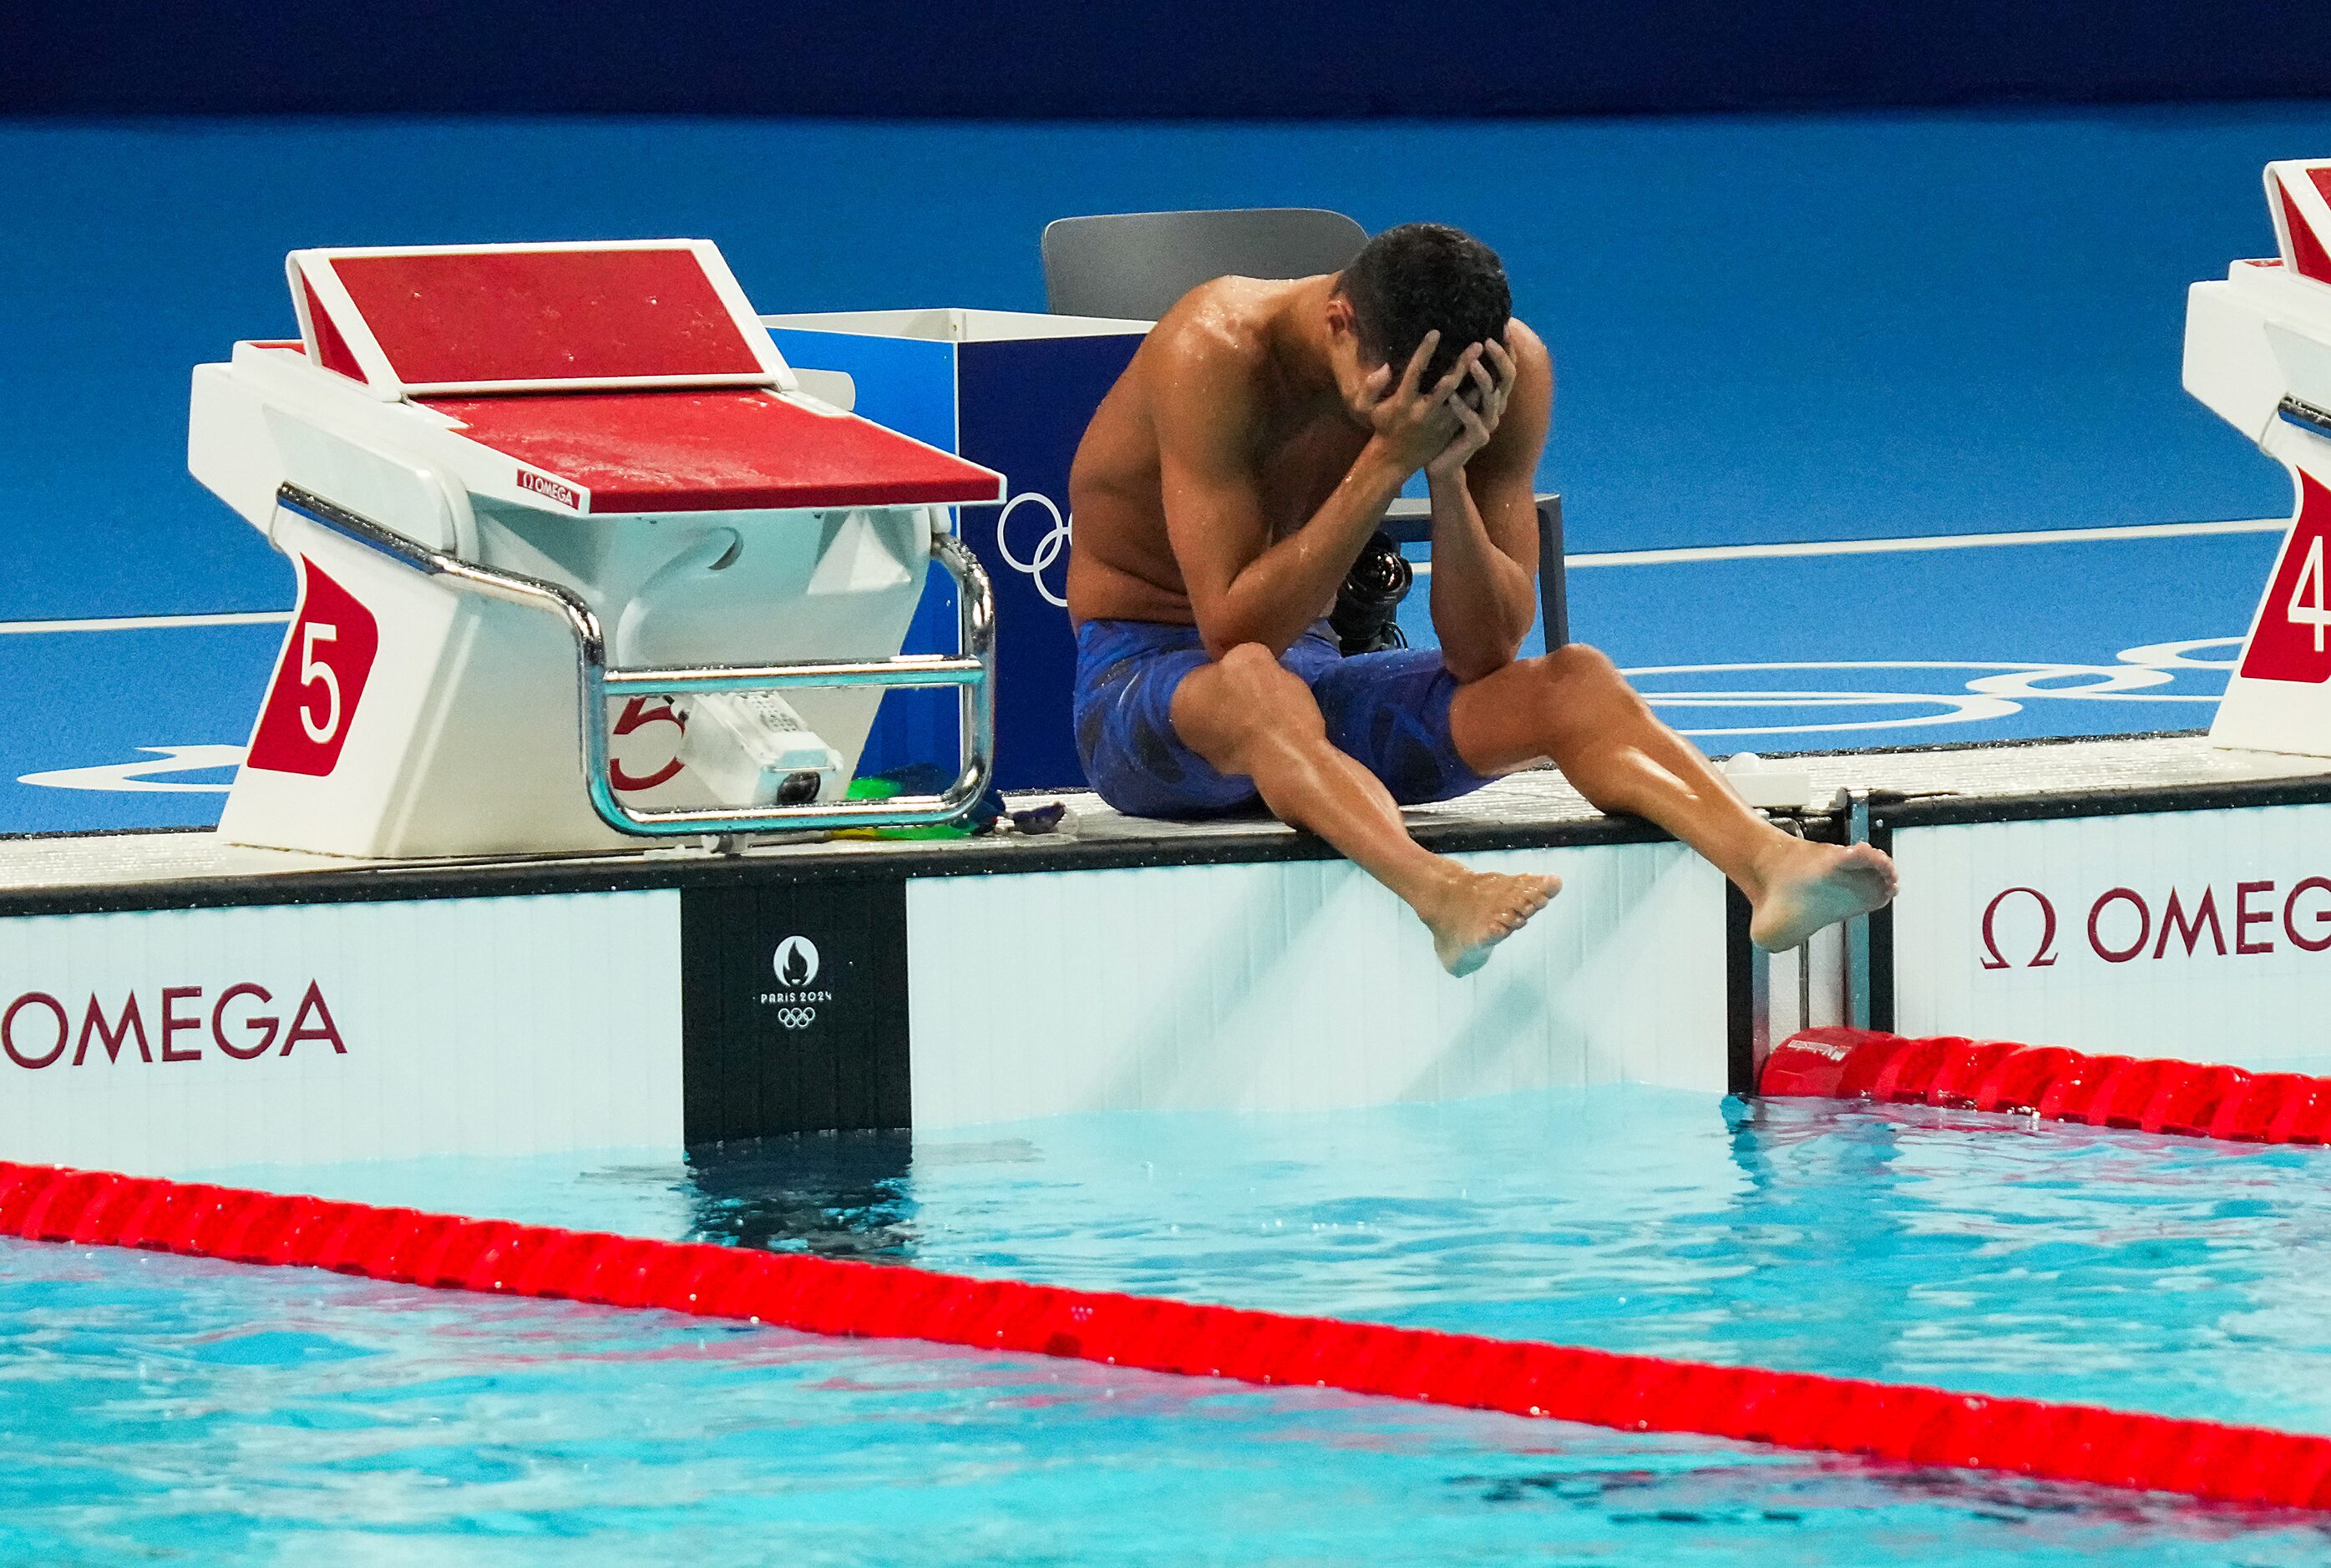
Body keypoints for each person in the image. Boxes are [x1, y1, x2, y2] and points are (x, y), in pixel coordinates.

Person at [1065, 222, 1894, 976]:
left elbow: (1482, 653)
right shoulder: (1213, 349)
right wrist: (1386, 463)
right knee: (1255, 677)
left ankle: (1767, 864)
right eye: (1403, 391)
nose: (1421, 410)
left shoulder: (1508, 368)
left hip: (1307, 689)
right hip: (1147, 695)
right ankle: (1439, 894)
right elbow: (1232, 628)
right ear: (1339, 323)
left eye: (1444, 395)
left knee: (1573, 679)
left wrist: (1448, 475)